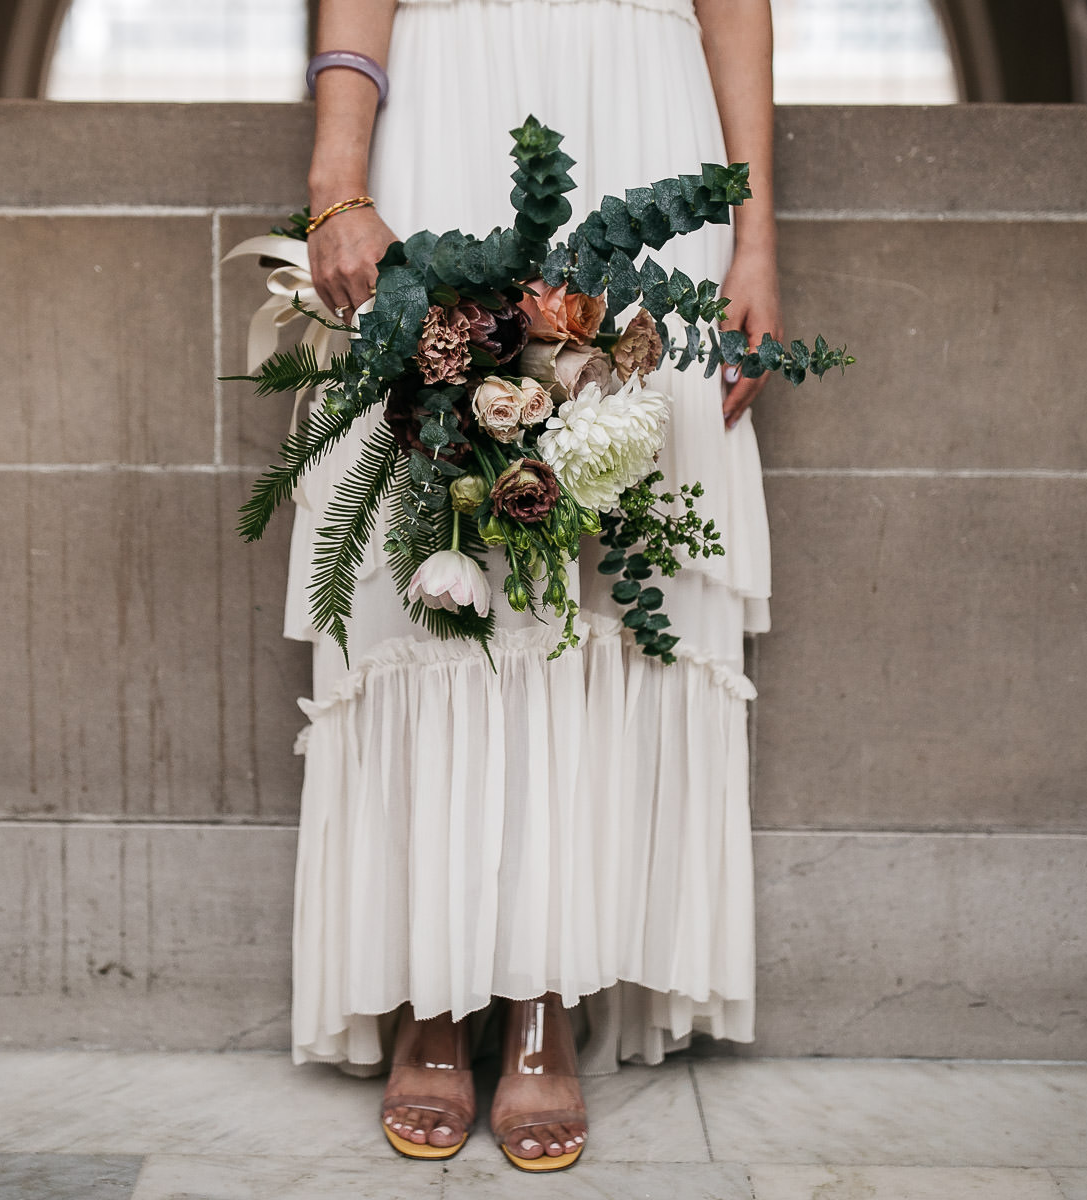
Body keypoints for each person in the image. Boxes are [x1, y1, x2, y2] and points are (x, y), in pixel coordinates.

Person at [292, 0, 780, 1171]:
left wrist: (756, 238)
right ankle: (434, 985)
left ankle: (545, 994)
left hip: (644, 110)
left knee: (607, 563)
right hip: (450, 96)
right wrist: (337, 174)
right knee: (430, 525)